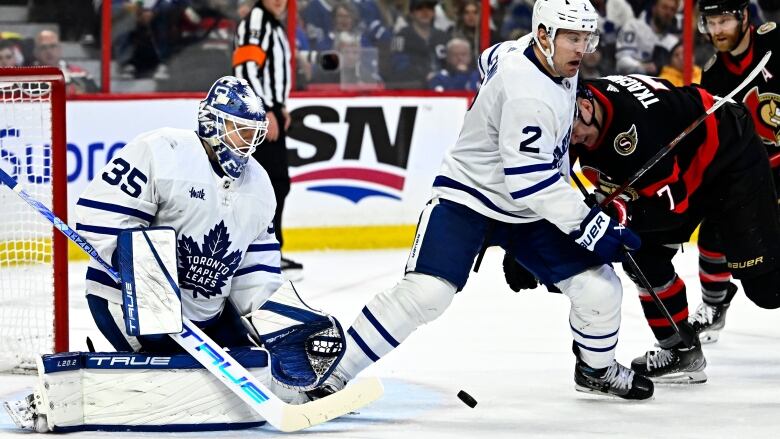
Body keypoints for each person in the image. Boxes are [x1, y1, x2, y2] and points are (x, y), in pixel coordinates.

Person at [311, 0, 654, 401]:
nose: (580, 49)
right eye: (571, 39)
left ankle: (596, 370)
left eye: (585, 38)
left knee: (600, 289)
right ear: (544, 35)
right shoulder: (530, 95)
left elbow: (487, 59)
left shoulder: (522, 50)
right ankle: (336, 371)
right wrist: (591, 226)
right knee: (427, 292)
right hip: (468, 197)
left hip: (525, 211)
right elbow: (532, 182)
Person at [4, 77, 347, 432]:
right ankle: (60, 399)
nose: (246, 144)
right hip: (128, 304)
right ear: (212, 124)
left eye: (253, 135)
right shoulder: (161, 150)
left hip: (207, 314)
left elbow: (255, 272)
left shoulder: (259, 186)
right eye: (239, 131)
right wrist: (144, 272)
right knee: (181, 382)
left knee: (255, 366)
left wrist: (278, 319)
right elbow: (100, 216)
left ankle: (304, 389)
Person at [570, 75, 780, 383]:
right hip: (686, 162)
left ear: (586, 107)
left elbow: (670, 210)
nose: (573, 141)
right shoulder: (573, 111)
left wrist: (614, 218)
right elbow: (549, 179)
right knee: (639, 255)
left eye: (574, 132)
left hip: (730, 156)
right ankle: (682, 351)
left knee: (768, 290)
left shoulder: (638, 130)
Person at [690, 0, 780, 343]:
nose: (717, 31)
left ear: (744, 16)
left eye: (724, 20)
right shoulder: (713, 73)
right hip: (756, 173)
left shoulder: (775, 43)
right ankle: (714, 305)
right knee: (715, 230)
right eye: (710, 23)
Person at [233, 0, 304, 280]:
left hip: (269, 110)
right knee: (270, 183)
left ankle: (268, 251)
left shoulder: (269, 23)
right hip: (260, 114)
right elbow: (246, 70)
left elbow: (266, 72)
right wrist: (264, 110)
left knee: (276, 183)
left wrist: (279, 106)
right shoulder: (257, 20)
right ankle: (262, 254)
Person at [615, 0, 680, 75]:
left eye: (672, 9)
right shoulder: (633, 26)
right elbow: (621, 63)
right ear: (654, 8)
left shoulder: (673, 40)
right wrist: (643, 67)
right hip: (629, 80)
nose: (668, 13)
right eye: (664, 7)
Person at [32, 30, 98, 95]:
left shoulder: (81, 74)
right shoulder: (26, 77)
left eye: (53, 46)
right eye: (43, 47)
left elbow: (97, 96)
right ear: (35, 52)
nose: (49, 51)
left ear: (60, 48)